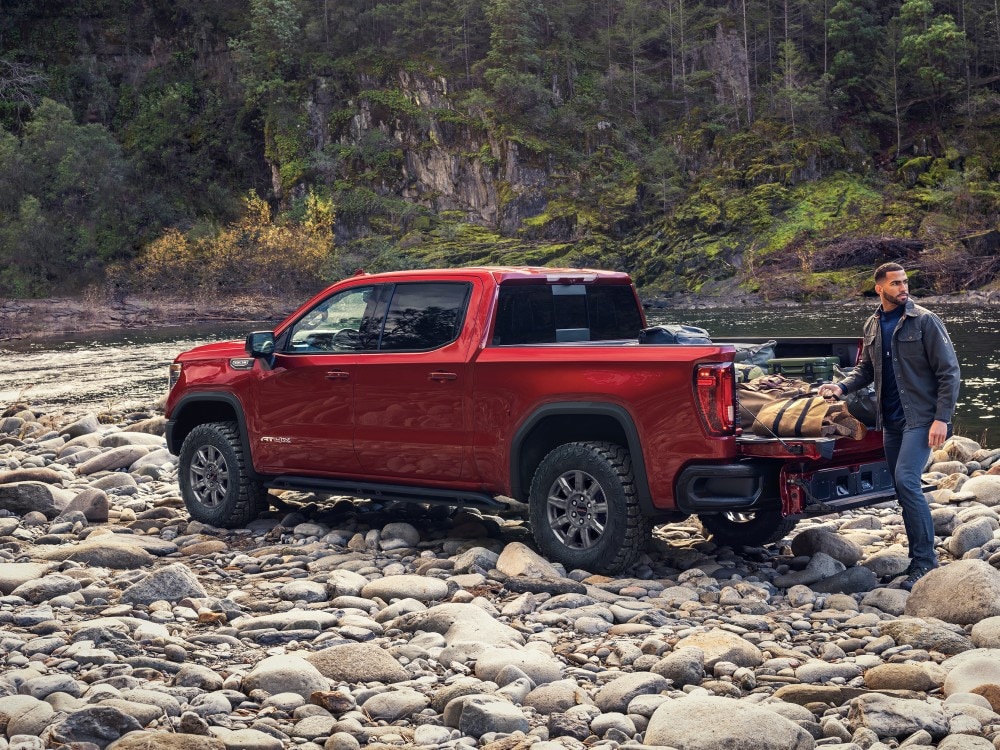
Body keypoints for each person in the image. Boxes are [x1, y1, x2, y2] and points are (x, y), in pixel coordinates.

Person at [817, 262, 960, 591]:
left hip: (921, 419)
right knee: (901, 488)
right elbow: (865, 369)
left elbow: (949, 372)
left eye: (905, 282)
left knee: (906, 482)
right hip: (891, 421)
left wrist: (942, 418)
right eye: (895, 283)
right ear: (879, 288)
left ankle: (925, 562)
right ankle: (917, 556)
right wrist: (841, 388)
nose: (903, 288)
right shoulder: (873, 323)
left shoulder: (924, 321)